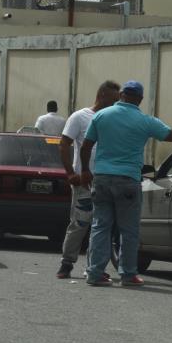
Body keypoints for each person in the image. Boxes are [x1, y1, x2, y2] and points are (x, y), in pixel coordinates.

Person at [78, 80, 172, 287]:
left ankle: (95, 273)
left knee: (101, 226)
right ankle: (127, 275)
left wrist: (84, 170)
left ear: (121, 95)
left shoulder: (101, 116)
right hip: (128, 180)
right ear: (140, 99)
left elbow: (86, 145)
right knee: (129, 230)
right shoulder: (145, 121)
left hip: (102, 178)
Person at [55, 80, 121, 279]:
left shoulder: (111, 119)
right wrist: (70, 174)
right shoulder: (80, 117)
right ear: (101, 96)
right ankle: (66, 264)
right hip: (84, 182)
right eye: (113, 99)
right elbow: (64, 144)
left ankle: (94, 268)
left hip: (105, 181)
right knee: (79, 223)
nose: (115, 104)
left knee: (101, 226)